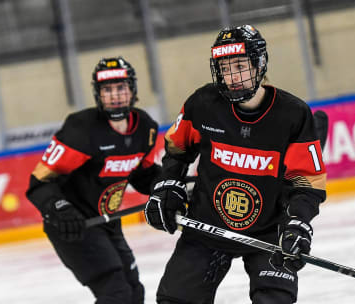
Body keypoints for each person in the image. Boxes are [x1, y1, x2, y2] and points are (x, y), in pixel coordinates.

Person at [144, 25, 328, 304]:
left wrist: (298, 222)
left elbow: (307, 184)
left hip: (268, 233)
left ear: (260, 64)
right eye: (225, 68)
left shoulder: (292, 114)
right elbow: (177, 149)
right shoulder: (203, 104)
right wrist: (168, 184)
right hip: (207, 226)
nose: (232, 77)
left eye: (240, 66)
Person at [26, 56, 160, 304]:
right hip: (73, 226)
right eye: (107, 90)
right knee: (116, 293)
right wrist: (59, 208)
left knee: (133, 292)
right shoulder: (81, 130)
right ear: (98, 95)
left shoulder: (146, 128)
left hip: (106, 222)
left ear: (132, 90)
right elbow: (39, 183)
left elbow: (143, 176)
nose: (115, 95)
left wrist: (170, 185)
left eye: (121, 88)